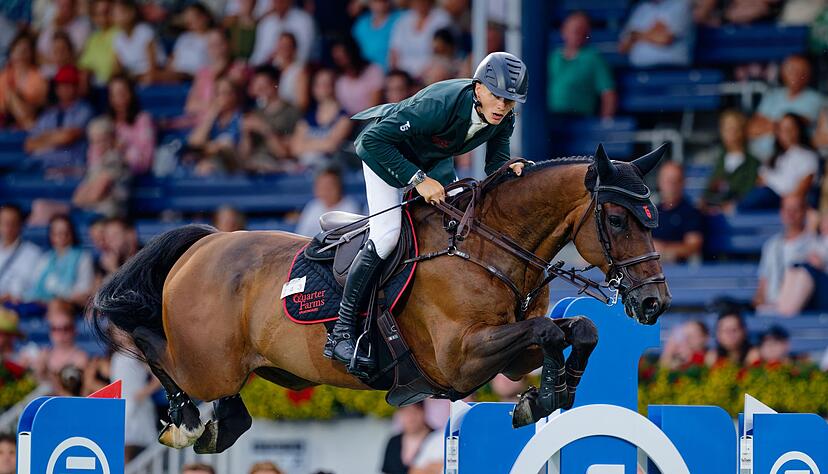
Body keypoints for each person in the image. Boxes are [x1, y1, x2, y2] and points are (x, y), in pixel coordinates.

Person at [324, 52, 528, 372]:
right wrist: (417, 180)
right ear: (478, 88)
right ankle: (341, 331)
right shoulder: (439, 104)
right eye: (497, 96)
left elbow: (494, 163)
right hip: (388, 155)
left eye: (510, 100)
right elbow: (368, 142)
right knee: (388, 235)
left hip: (432, 160)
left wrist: (509, 168)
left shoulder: (505, 118)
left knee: (453, 224)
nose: (502, 105)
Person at [747, 55, 823, 161]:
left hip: (791, 161)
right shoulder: (772, 96)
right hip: (758, 158)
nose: (795, 74)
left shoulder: (817, 100)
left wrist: (768, 124)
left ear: (808, 75)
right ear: (783, 72)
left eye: (800, 71)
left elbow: (798, 130)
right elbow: (752, 129)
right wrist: (781, 126)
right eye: (791, 70)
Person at [739, 113, 819, 211]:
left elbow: (802, 189)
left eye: (791, 128)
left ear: (799, 130)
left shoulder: (808, 156)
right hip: (764, 197)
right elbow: (760, 181)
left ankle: (733, 208)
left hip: (784, 201)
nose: (787, 132)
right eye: (782, 129)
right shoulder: (776, 156)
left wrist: (788, 201)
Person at [23, 65, 93, 175]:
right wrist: (57, 137)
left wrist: (44, 137)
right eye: (61, 85)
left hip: (72, 167)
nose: (64, 88)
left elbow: (68, 137)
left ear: (76, 87)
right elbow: (29, 144)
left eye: (68, 84)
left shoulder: (84, 110)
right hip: (43, 166)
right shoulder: (49, 113)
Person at [754, 194, 815, 312]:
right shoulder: (771, 245)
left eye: (795, 209)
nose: (790, 214)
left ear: (804, 212)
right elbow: (763, 284)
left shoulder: (814, 243)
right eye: (786, 209)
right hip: (770, 309)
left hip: (801, 310)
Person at [548, 12, 616, 118]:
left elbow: (608, 93)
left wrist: (605, 122)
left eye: (581, 30)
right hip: (550, 117)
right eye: (573, 30)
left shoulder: (593, 58)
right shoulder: (553, 57)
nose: (576, 33)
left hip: (579, 117)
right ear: (563, 31)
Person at [239, 64, 302, 173]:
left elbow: (284, 152)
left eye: (264, 85)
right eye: (257, 85)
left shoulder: (291, 111)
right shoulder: (255, 113)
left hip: (278, 165)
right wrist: (245, 133)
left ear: (275, 84)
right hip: (252, 164)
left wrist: (264, 129)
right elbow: (244, 154)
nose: (260, 89)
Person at [181, 28, 248, 129]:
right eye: (211, 45)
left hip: (227, 122)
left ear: (228, 44)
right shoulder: (203, 73)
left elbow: (230, 102)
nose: (216, 49)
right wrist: (209, 106)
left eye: (219, 44)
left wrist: (208, 106)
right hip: (202, 122)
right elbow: (190, 106)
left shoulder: (239, 69)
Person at [290, 69, 353, 169]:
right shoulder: (307, 117)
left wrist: (307, 144)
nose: (323, 88)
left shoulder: (344, 117)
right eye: (319, 84)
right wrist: (323, 143)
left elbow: (332, 145)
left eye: (326, 83)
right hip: (306, 170)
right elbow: (295, 148)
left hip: (332, 169)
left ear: (334, 86)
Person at [111, 337, 161, 461]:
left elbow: (159, 377)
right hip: (120, 405)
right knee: (120, 448)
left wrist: (144, 392)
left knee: (139, 448)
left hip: (138, 406)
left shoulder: (138, 354)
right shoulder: (115, 355)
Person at [25, 215, 94, 306]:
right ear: (51, 236)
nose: (62, 236)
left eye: (66, 232)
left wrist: (60, 299)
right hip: (42, 305)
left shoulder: (83, 257)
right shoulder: (45, 258)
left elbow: (83, 290)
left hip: (69, 305)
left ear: (72, 233)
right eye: (57, 232)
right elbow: (34, 286)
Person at [71, 117, 132, 218]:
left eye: (102, 140)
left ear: (113, 139)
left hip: (109, 217)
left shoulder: (115, 160)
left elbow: (95, 195)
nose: (98, 145)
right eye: (94, 142)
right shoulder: (97, 163)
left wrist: (84, 197)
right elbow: (76, 198)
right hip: (92, 213)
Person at [701, 110, 760, 211]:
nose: (730, 133)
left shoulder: (753, 162)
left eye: (733, 128)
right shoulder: (718, 160)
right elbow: (709, 190)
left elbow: (748, 191)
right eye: (726, 129)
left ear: (742, 131)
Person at [187, 75, 244, 175]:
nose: (222, 97)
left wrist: (207, 148)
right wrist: (212, 113)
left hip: (234, 163)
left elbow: (232, 147)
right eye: (218, 93)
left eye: (226, 93)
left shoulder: (241, 118)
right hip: (212, 161)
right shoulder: (213, 117)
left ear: (235, 95)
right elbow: (194, 142)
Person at [775, 211, 828, 316]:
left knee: (806, 271)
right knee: (794, 269)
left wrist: (821, 264)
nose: (826, 224)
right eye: (824, 220)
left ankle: (787, 312)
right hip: (815, 291)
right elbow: (796, 255)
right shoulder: (817, 240)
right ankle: (781, 308)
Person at [32, 299, 89, 394]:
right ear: (50, 331)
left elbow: (75, 393)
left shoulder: (80, 358)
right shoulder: (44, 355)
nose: (61, 334)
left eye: (66, 328)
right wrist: (38, 372)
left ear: (74, 330)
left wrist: (48, 374)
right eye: (55, 329)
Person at [651, 161, 703, 263]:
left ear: (683, 183)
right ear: (659, 182)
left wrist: (664, 250)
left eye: (675, 180)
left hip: (679, 268)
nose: (671, 185)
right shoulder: (652, 211)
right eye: (668, 181)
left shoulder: (691, 212)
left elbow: (693, 246)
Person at [618, 0, 693, 68]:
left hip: (670, 67)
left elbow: (664, 39)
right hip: (639, 68)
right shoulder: (641, 8)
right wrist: (652, 33)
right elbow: (622, 47)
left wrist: (635, 35)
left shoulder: (680, 4)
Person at [106, 74, 156, 175]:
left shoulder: (143, 120)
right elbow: (95, 158)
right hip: (105, 171)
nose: (119, 99)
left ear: (131, 94)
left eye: (122, 93)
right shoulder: (107, 123)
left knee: (103, 180)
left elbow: (146, 160)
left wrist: (123, 151)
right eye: (114, 95)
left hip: (128, 175)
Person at [388, 0, 451, 79]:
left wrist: (421, 74)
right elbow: (394, 52)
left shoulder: (442, 18)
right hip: (404, 74)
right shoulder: (402, 20)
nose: (419, 3)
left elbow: (442, 51)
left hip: (430, 70)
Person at [0, 32, 48, 129]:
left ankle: (31, 129)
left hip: (33, 115)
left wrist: (19, 97)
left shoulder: (38, 76)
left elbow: (39, 103)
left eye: (25, 49)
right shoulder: (4, 76)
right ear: (12, 52)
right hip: (8, 119)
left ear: (31, 53)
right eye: (18, 49)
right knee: (11, 95)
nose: (21, 53)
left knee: (12, 95)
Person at [295, 166, 361, 237]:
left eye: (329, 186)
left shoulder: (350, 206)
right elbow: (301, 235)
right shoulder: (313, 206)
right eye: (322, 187)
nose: (326, 191)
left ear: (339, 186)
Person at [112, 0, 165, 83]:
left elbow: (153, 67)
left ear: (131, 13)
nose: (115, 17)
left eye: (119, 13)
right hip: (134, 78)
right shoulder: (117, 38)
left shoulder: (145, 31)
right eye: (113, 14)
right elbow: (118, 67)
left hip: (155, 74)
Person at [249, 0, 316, 66]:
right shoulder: (266, 23)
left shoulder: (305, 20)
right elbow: (259, 54)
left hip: (294, 68)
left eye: (282, 1)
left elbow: (304, 54)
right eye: (276, 1)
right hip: (268, 69)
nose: (279, 3)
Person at [331, 36, 385, 116]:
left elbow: (374, 106)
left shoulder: (373, 70)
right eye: (337, 57)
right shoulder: (337, 77)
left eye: (343, 53)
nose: (341, 59)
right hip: (346, 121)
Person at [0, 204, 43, 304]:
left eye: (12, 223)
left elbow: (34, 288)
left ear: (21, 224)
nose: (8, 227)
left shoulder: (33, 253)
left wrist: (11, 295)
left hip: (14, 306)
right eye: (4, 222)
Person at [162, 2, 214, 81]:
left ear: (205, 17)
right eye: (188, 19)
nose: (191, 21)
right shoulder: (184, 37)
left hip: (195, 77)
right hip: (176, 75)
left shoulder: (214, 37)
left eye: (194, 17)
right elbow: (172, 58)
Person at [35, 0, 90, 71]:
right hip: (46, 75)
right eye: (60, 6)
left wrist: (54, 62)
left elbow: (77, 55)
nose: (63, 10)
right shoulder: (51, 25)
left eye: (67, 6)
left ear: (74, 6)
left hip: (69, 75)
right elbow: (38, 54)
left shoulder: (83, 25)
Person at [381, 402, 433, 474]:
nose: (410, 418)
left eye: (414, 412)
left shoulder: (437, 438)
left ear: (423, 412)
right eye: (405, 412)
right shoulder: (394, 441)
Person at [352, 0, 402, 71]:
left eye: (382, 1)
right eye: (375, 1)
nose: (379, 4)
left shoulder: (400, 18)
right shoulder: (361, 23)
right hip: (366, 72)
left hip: (391, 71)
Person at [79, 0, 119, 85]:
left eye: (106, 12)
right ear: (93, 17)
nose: (102, 17)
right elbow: (85, 65)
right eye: (98, 14)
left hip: (113, 84)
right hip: (96, 86)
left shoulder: (119, 33)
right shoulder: (93, 38)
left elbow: (117, 65)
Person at [273, 32, 310, 111]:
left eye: (287, 45)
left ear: (294, 48)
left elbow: (302, 103)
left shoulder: (299, 71)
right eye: (281, 45)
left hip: (287, 114)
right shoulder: (272, 67)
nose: (283, 48)